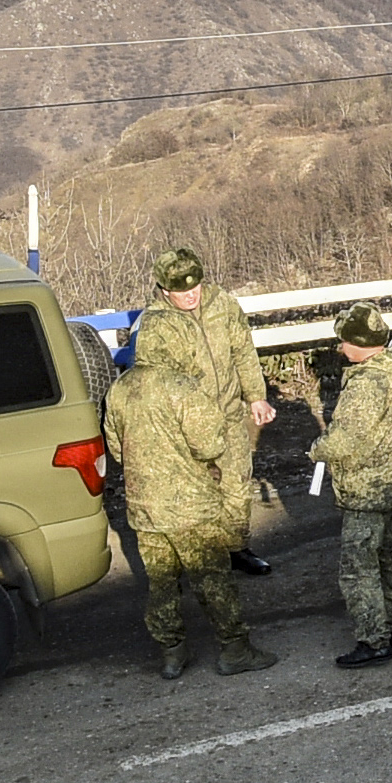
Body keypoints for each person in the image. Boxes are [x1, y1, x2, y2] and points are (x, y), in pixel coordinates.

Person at [121, 249, 274, 679]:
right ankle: (212, 569)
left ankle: (234, 546)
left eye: (196, 287)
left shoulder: (223, 303)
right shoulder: (158, 323)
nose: (190, 296)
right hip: (185, 420)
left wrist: (255, 395)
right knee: (200, 506)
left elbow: (243, 349)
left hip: (226, 410)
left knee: (236, 487)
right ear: (163, 290)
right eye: (179, 291)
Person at [312, 303, 392, 667]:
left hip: (364, 490)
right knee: (390, 558)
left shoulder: (366, 385)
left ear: (358, 343)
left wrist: (317, 450)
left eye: (344, 341)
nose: (341, 348)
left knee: (358, 569)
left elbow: (344, 441)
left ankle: (374, 640)